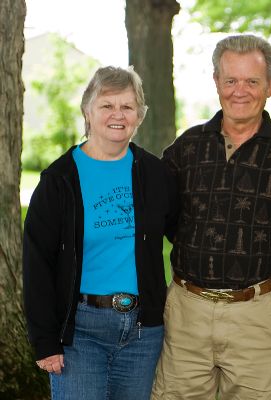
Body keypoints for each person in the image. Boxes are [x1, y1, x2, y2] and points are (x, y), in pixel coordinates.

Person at [151, 34, 271, 399]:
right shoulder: (185, 149)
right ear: (217, 82)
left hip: (256, 314)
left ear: (270, 86)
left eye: (252, 81)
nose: (240, 90)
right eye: (231, 80)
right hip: (187, 311)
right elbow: (166, 220)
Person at [23, 66, 178, 399]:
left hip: (143, 331)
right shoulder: (60, 179)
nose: (117, 114)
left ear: (140, 114)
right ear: (87, 110)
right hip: (80, 331)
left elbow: (183, 234)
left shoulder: (154, 173)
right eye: (107, 105)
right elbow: (37, 264)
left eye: (127, 106)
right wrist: (45, 340)